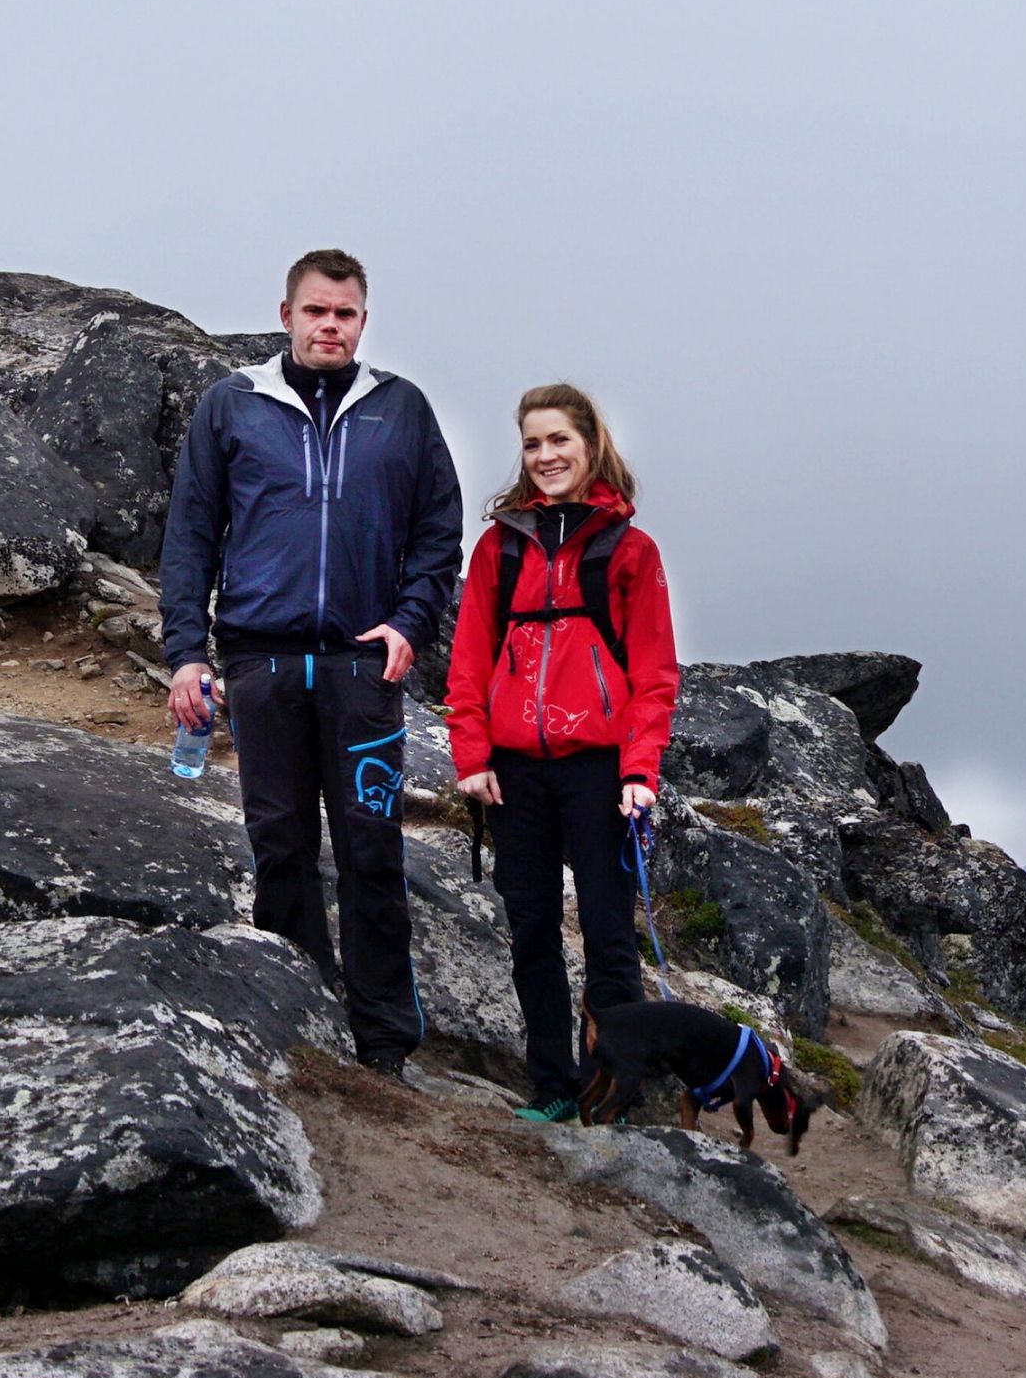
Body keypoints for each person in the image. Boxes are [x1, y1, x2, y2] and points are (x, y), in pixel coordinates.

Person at [162, 249, 464, 1076]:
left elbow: (439, 529)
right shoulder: (232, 406)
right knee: (282, 846)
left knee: (372, 849)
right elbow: (190, 536)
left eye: (347, 314)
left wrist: (411, 623)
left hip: (361, 670)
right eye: (317, 311)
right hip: (260, 664)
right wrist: (188, 654)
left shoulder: (400, 411)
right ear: (287, 314)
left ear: (363, 321)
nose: (331, 325)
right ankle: (298, 1020)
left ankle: (382, 1044)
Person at [446, 384, 679, 1122]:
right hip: (513, 773)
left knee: (610, 937)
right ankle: (551, 1084)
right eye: (532, 444)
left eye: (558, 441)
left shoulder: (629, 549)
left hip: (598, 771)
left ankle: (613, 1089)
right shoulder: (499, 548)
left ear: (590, 444)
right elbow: (468, 662)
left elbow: (655, 674)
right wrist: (471, 755)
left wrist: (640, 771)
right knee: (532, 934)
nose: (545, 456)